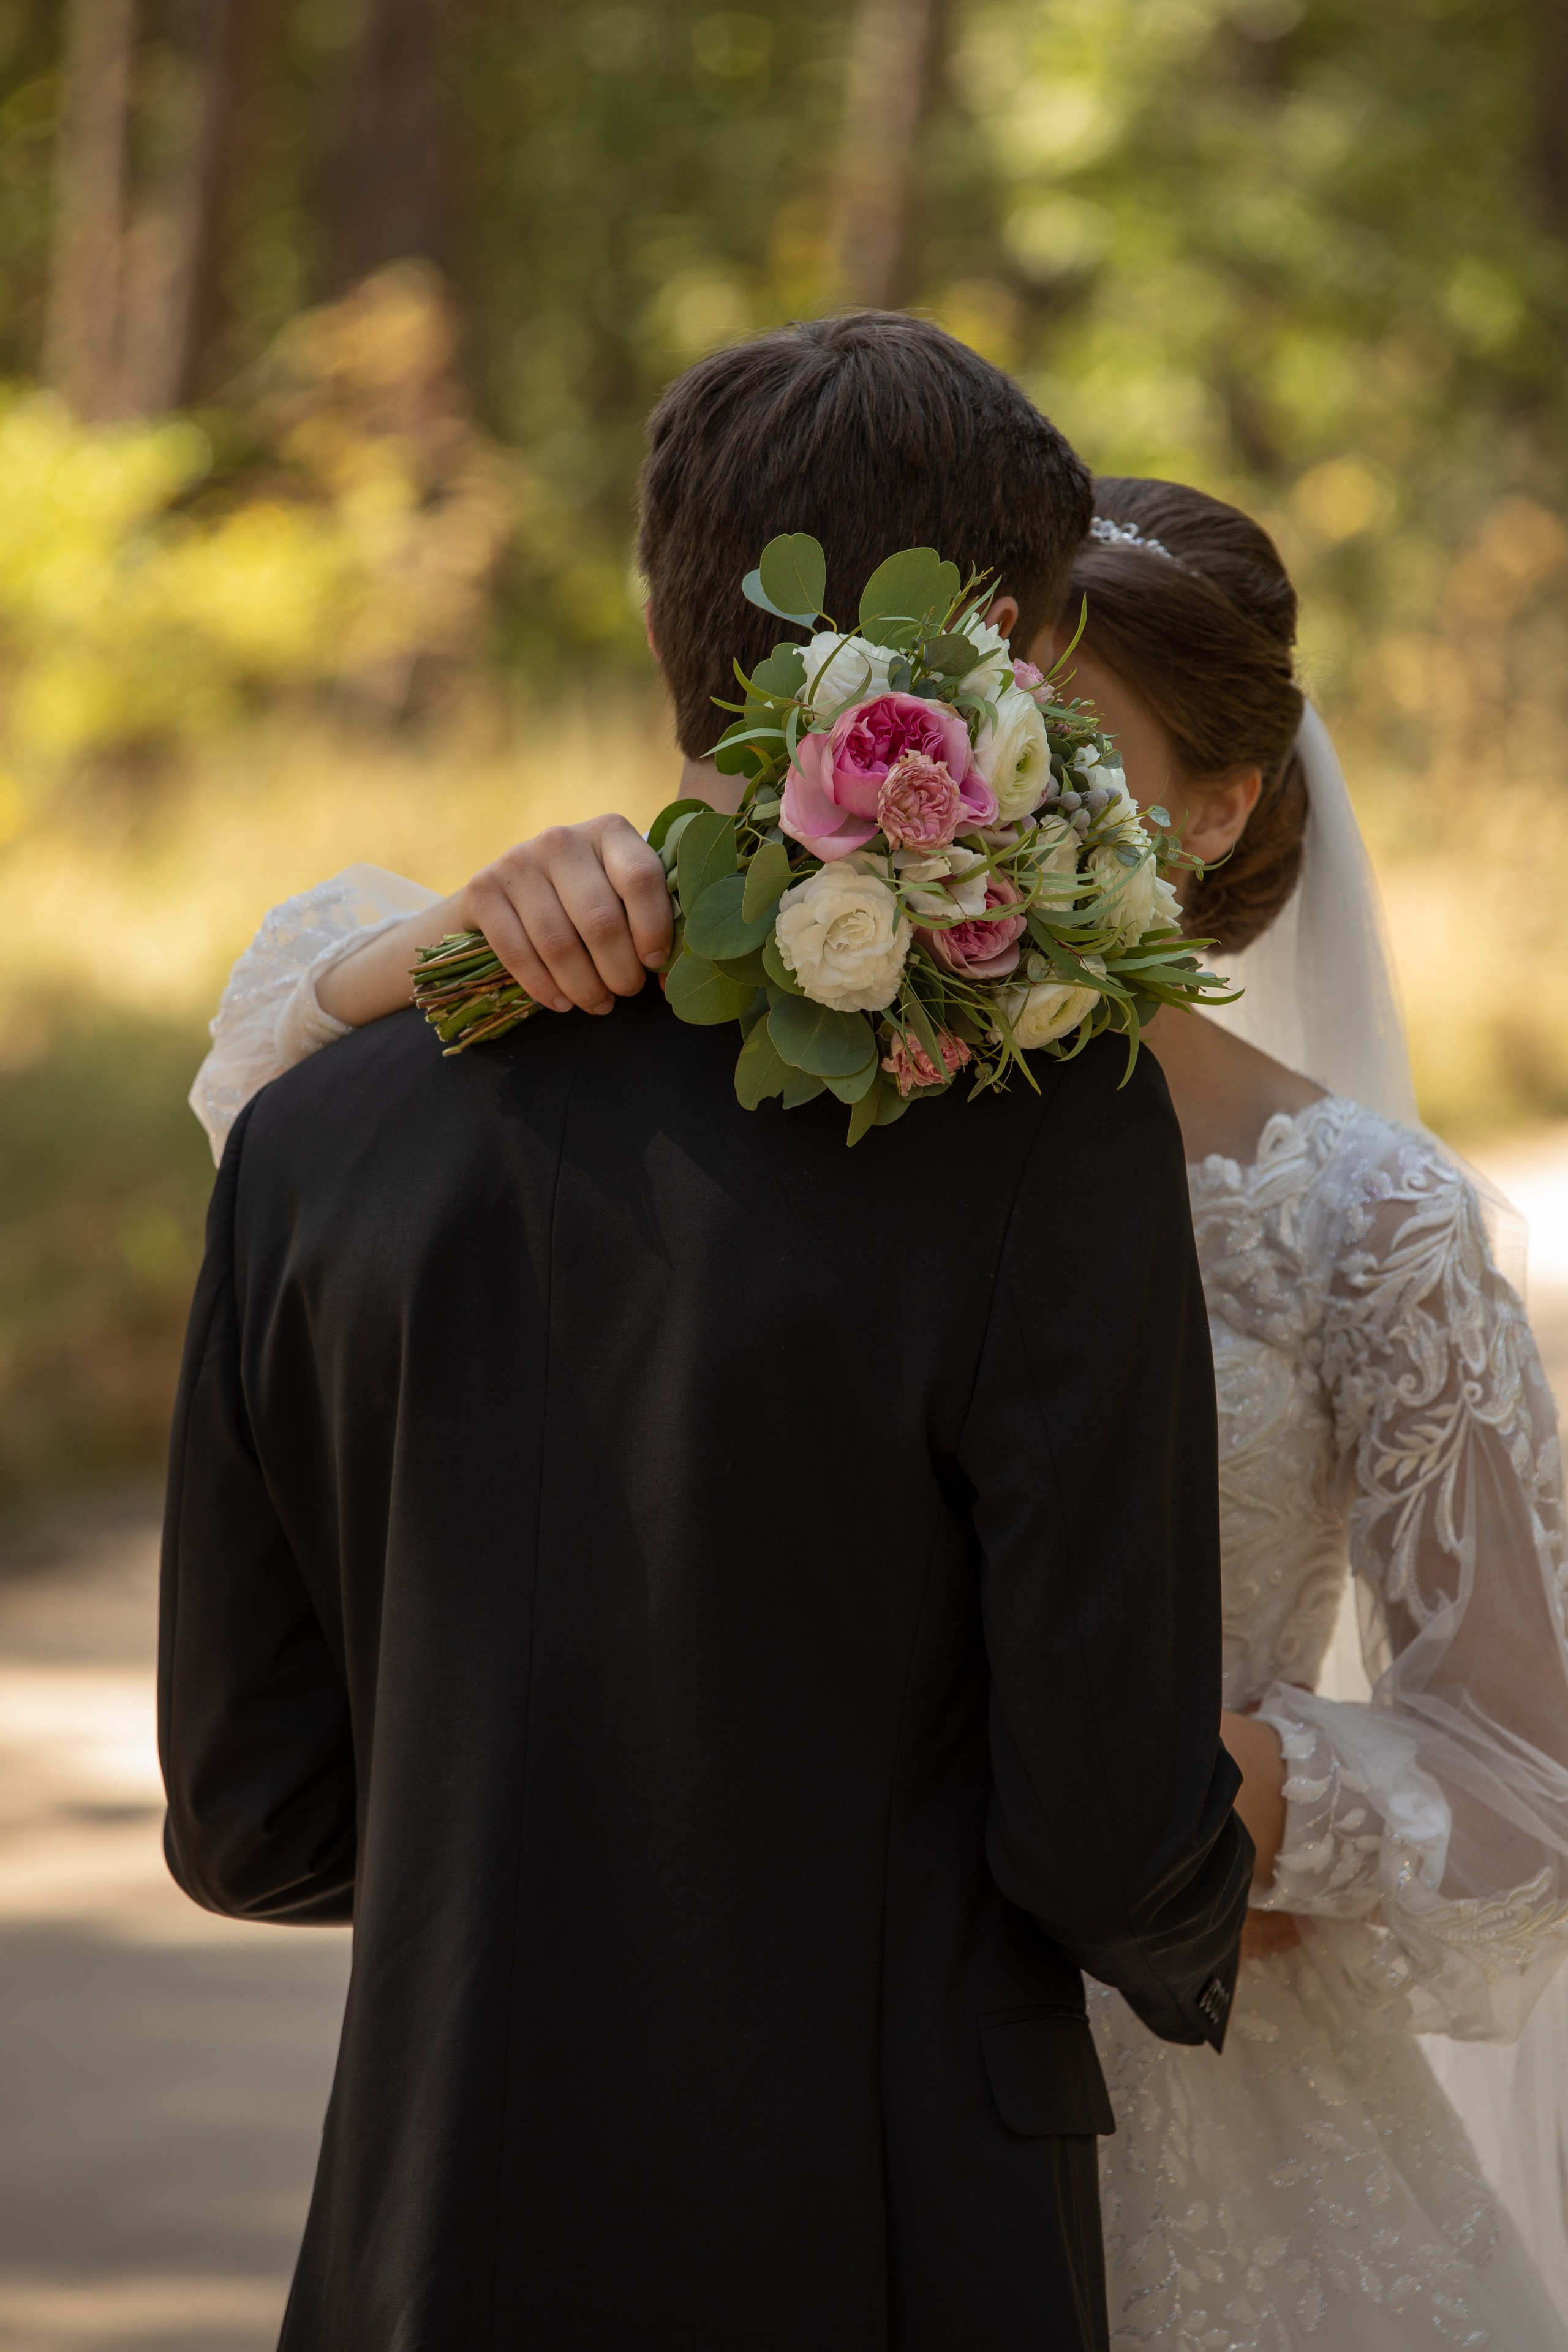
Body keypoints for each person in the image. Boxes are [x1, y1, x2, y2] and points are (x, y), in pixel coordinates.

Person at [199, 461, 1568, 2348]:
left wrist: (1252, 1794)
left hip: (1178, 2070)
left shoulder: (1366, 1217)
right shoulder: (798, 1114)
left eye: (1057, 750)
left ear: (1222, 805)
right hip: (762, 2068)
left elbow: (1523, 1781)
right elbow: (303, 1138)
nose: (975, 803)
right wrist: (437, 943)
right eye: (946, 729)